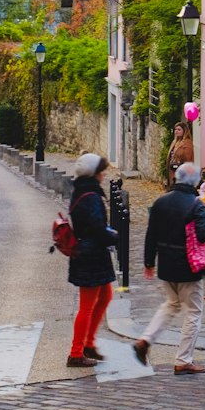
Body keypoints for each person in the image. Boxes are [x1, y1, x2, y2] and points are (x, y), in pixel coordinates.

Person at [133, 162, 205, 375]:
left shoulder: (161, 202)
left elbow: (151, 234)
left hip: (166, 264)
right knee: (193, 311)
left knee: (171, 304)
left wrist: (149, 262)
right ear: (195, 181)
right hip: (188, 265)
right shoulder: (196, 204)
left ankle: (145, 340)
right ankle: (183, 360)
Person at [66, 152, 118, 368]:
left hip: (89, 252)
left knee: (105, 295)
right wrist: (114, 236)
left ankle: (88, 343)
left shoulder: (83, 191)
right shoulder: (91, 196)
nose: (104, 174)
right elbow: (96, 228)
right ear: (93, 174)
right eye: (101, 171)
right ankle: (76, 352)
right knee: (87, 305)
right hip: (91, 254)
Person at [165, 122, 194, 189]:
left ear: (184, 131)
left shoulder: (187, 142)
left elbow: (187, 158)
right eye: (175, 129)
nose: (176, 131)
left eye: (179, 129)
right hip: (172, 169)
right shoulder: (175, 142)